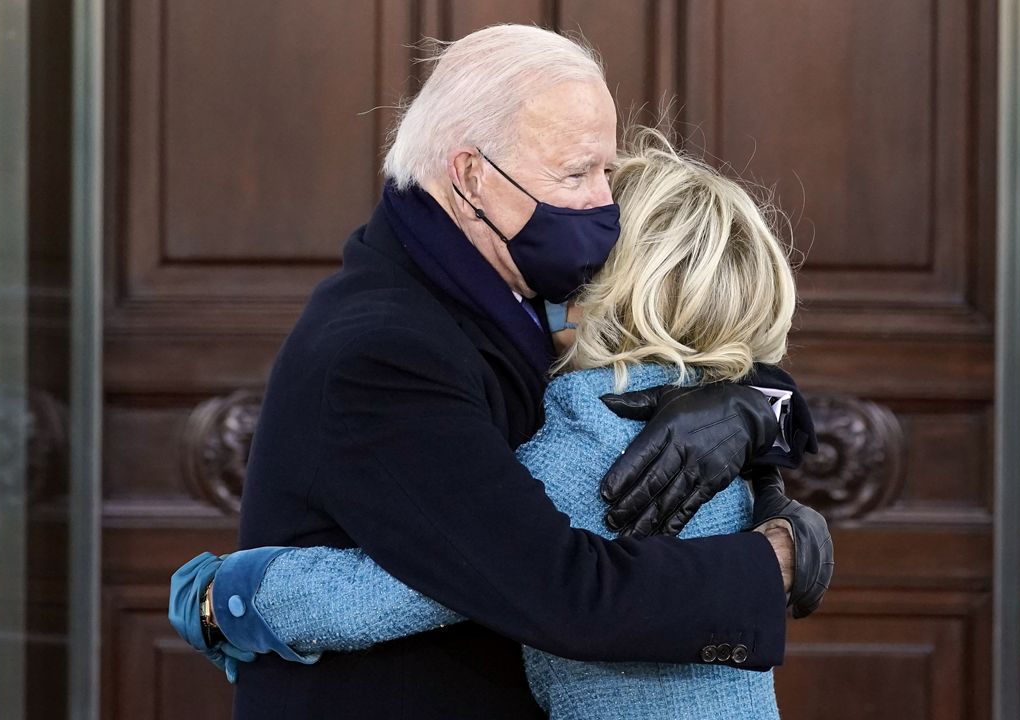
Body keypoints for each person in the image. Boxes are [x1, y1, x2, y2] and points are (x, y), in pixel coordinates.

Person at [169, 25, 829, 720]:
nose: (602, 203)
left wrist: (755, 407)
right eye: (576, 174)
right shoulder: (385, 350)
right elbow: (552, 588)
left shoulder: (526, 285)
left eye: (606, 172)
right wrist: (775, 562)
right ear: (470, 175)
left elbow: (704, 349)